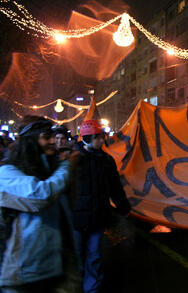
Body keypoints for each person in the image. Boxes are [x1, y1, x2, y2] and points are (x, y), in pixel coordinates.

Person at [0, 116, 81, 293]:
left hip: (59, 267)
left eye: (53, 136)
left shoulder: (51, 169)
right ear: (30, 140)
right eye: (46, 136)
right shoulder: (6, 172)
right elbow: (41, 196)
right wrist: (66, 167)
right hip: (25, 274)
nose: (53, 141)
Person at [73, 119, 131, 293]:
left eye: (102, 137)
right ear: (87, 137)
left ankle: (91, 289)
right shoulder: (72, 159)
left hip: (98, 217)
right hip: (76, 219)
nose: (101, 141)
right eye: (98, 138)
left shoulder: (106, 160)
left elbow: (115, 186)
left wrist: (123, 207)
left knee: (94, 256)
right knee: (77, 255)